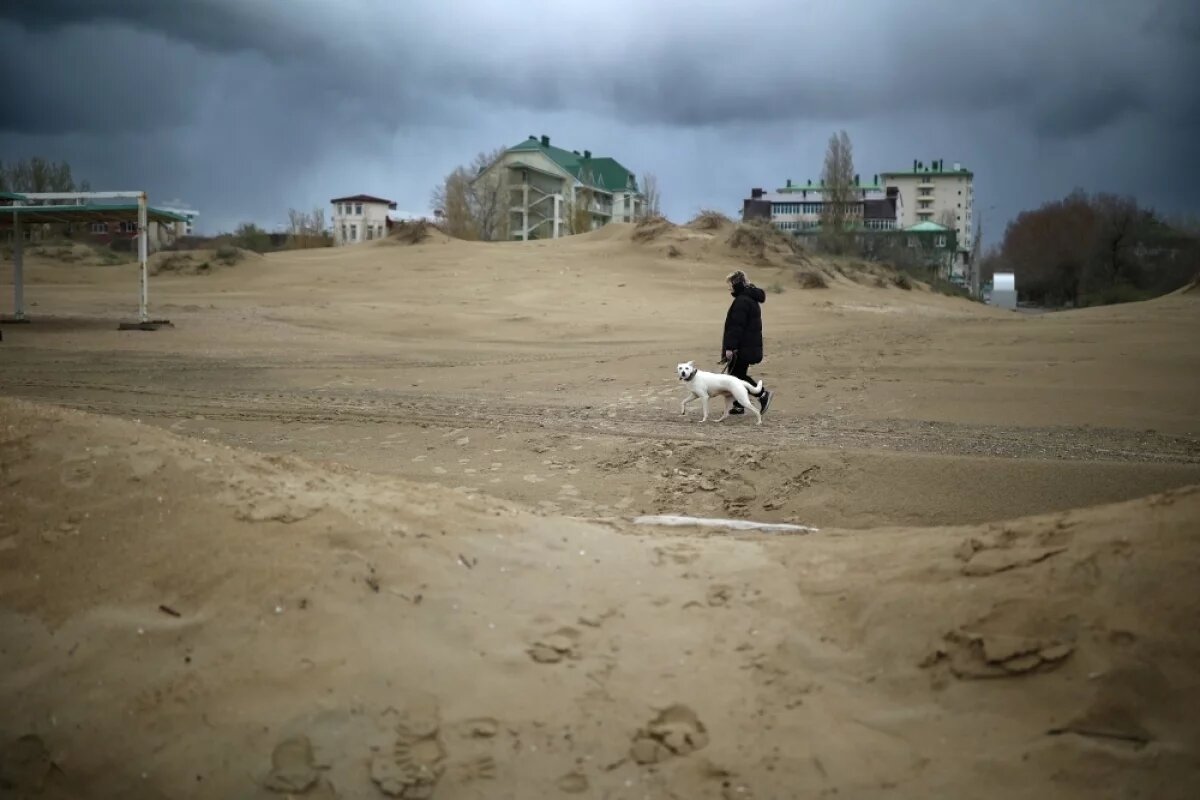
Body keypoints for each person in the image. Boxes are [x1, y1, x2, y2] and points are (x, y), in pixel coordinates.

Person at [720, 270, 772, 416]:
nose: (729, 288)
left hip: (742, 347)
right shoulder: (749, 298)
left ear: (737, 284)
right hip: (747, 345)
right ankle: (739, 405)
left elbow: (736, 327)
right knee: (736, 375)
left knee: (737, 377)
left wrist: (730, 347)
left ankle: (762, 394)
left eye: (730, 285)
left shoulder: (742, 301)